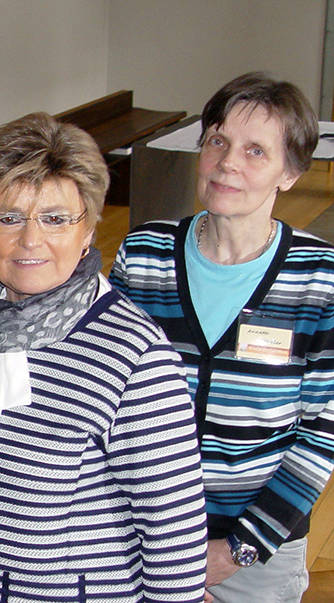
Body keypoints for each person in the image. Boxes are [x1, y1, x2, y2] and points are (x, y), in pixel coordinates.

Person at [0, 112, 208, 602]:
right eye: (9, 217)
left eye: (55, 218)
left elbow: (174, 540)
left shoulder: (135, 357)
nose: (30, 240)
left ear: (89, 229)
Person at [112, 72, 327, 603]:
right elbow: (108, 400)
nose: (229, 161)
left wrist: (237, 551)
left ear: (290, 174)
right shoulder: (144, 256)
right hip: (138, 539)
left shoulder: (320, 278)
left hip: (257, 551)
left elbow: (323, 433)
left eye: (256, 151)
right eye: (217, 141)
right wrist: (160, 551)